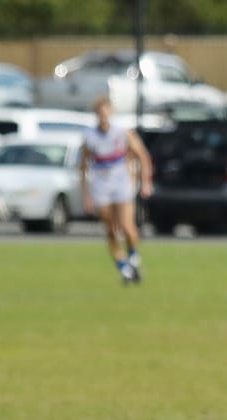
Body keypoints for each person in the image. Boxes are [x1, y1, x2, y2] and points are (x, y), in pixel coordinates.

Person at [80, 96, 153, 284]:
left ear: (110, 113)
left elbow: (142, 155)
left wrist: (145, 181)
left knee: (127, 227)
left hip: (121, 183)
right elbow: (83, 166)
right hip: (101, 186)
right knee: (111, 230)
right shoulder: (89, 136)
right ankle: (124, 269)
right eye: (100, 113)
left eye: (106, 113)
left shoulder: (122, 132)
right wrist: (86, 195)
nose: (103, 117)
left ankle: (134, 258)